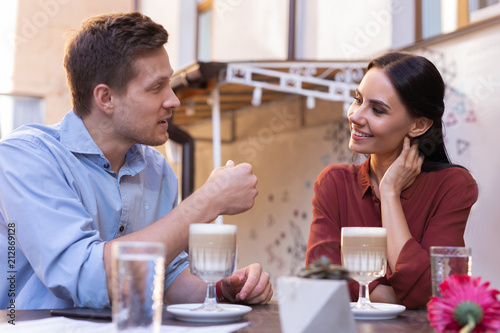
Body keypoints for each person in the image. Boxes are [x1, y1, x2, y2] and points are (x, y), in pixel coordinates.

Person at [0, 12, 272, 310]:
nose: (174, 100)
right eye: (157, 87)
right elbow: (88, 278)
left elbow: (166, 277)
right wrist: (208, 201)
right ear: (106, 98)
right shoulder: (26, 158)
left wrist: (222, 292)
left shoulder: (156, 169)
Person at [305, 51, 478, 309]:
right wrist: (394, 297)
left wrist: (389, 193)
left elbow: (426, 291)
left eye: (377, 110)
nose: (355, 116)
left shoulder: (453, 186)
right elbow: (321, 282)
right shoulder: (334, 183)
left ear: (418, 125)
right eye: (357, 100)